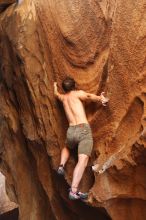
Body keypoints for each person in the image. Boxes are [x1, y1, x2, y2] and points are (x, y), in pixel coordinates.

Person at [54, 77, 109, 200]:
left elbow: (56, 95)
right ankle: (74, 191)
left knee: (67, 146)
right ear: (75, 85)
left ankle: (61, 165)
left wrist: (54, 87)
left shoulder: (63, 98)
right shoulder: (77, 94)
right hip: (83, 130)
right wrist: (101, 98)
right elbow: (89, 97)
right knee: (82, 160)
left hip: (71, 131)